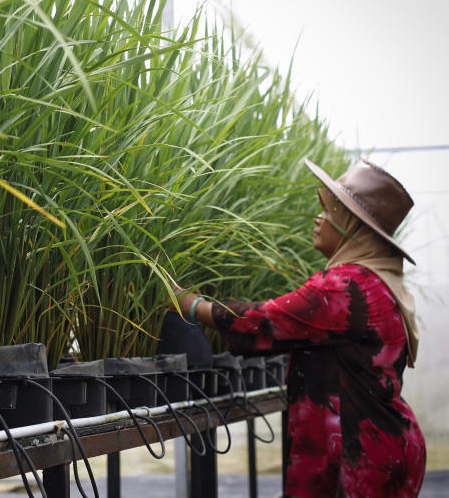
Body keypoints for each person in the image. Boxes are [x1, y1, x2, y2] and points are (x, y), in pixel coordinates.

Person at [173, 158, 426, 498]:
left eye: (331, 211)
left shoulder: (346, 287)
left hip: (360, 460)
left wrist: (189, 303)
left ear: (353, 226)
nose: (318, 218)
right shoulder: (376, 281)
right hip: (380, 444)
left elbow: (262, 321)